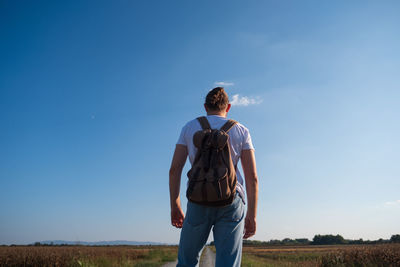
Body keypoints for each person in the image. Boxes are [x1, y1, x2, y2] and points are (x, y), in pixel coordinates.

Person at [169, 87, 258, 267]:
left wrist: (175, 205)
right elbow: (252, 177)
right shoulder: (241, 131)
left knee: (186, 261)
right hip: (231, 200)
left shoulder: (189, 127)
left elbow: (174, 170)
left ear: (205, 106)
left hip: (197, 198)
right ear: (229, 107)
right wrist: (252, 214)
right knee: (228, 263)